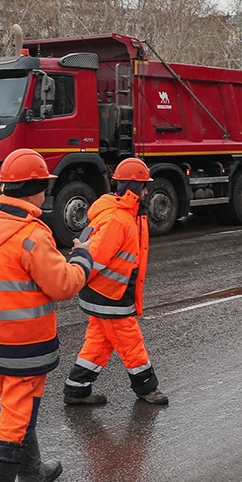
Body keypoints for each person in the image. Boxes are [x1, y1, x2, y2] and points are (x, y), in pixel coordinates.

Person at [0, 148, 92, 482]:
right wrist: (81, 256)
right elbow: (64, 285)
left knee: (19, 403)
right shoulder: (32, 236)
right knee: (16, 415)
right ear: (35, 189)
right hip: (26, 342)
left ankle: (32, 474)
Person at [63, 158, 168, 406]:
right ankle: (146, 388)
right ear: (132, 186)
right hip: (111, 297)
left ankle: (76, 390)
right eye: (144, 187)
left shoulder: (121, 214)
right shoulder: (118, 219)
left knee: (98, 343)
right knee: (131, 343)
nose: (146, 192)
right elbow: (95, 258)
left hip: (104, 295)